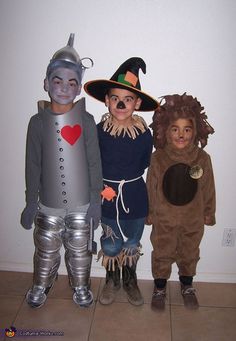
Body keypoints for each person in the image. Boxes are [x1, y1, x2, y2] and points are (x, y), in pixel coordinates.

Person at [20, 34, 103, 308]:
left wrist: (96, 200)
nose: (64, 88)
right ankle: (42, 282)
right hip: (49, 202)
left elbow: (93, 162)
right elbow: (32, 164)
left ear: (79, 88)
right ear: (46, 83)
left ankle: (80, 285)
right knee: (45, 245)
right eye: (57, 81)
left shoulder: (87, 121)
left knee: (80, 246)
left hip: (81, 201)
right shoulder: (37, 123)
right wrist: (31, 202)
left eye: (71, 82)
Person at [84, 57, 158, 306]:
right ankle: (112, 278)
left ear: (137, 103)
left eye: (127, 99)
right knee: (110, 243)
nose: (120, 103)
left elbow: (146, 163)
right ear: (106, 100)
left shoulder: (144, 134)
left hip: (135, 198)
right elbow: (91, 163)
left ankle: (130, 279)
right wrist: (98, 190)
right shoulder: (98, 130)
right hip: (107, 196)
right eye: (115, 97)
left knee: (132, 243)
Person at [146, 93, 216, 310]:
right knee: (162, 251)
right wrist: (149, 212)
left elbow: (208, 187)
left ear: (196, 131)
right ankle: (159, 287)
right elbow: (151, 186)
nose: (181, 134)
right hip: (164, 219)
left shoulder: (201, 159)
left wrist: (208, 212)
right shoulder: (159, 158)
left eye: (187, 129)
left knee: (189, 251)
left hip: (192, 219)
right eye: (175, 129)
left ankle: (187, 285)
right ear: (165, 131)